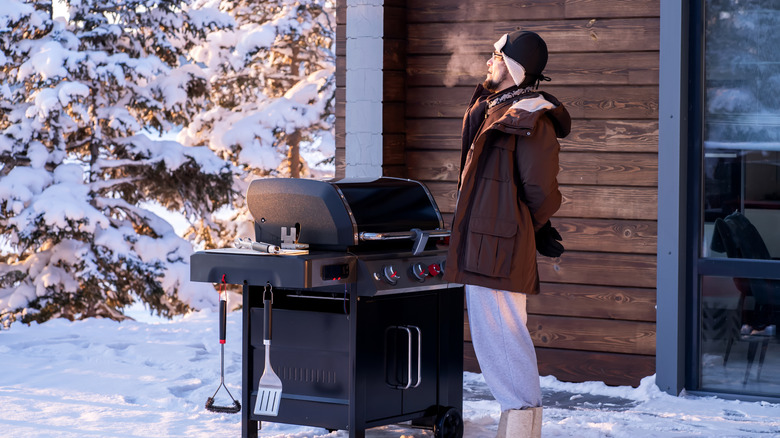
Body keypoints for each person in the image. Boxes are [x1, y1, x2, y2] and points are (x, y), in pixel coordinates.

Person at [443, 30, 571, 438]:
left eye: (495, 56)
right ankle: (519, 424)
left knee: (502, 338)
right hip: (486, 242)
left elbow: (540, 191)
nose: (488, 62)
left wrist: (531, 228)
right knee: (496, 337)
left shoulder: (528, 115)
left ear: (514, 67)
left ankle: (521, 426)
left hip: (497, 245)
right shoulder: (497, 108)